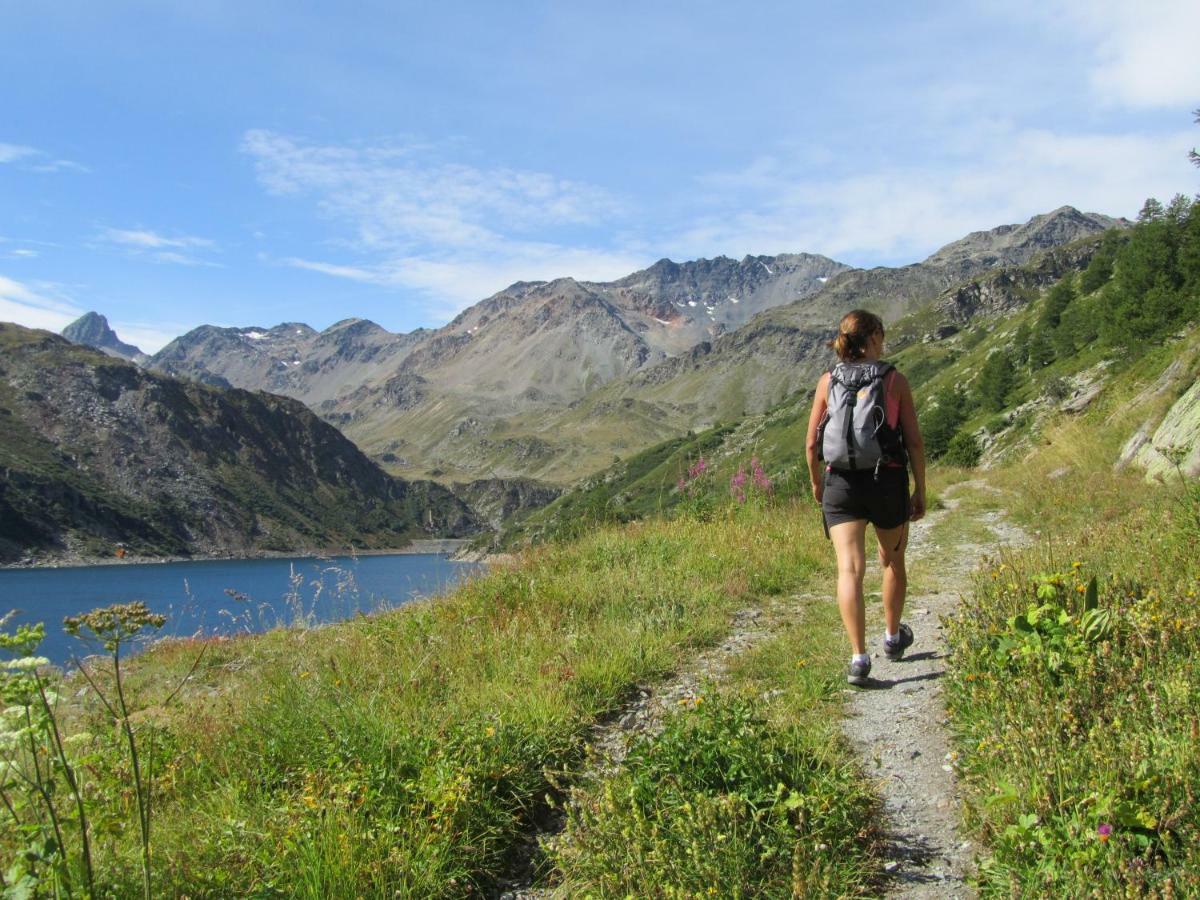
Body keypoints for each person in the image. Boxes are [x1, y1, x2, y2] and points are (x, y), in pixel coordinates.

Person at [804, 310, 926, 685]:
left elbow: (811, 444)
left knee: (849, 570)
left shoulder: (827, 381)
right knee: (891, 561)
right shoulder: (894, 380)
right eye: (882, 334)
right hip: (886, 481)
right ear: (873, 338)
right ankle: (892, 637)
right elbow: (913, 441)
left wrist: (816, 485)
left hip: (840, 484)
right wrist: (920, 487)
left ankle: (859, 658)